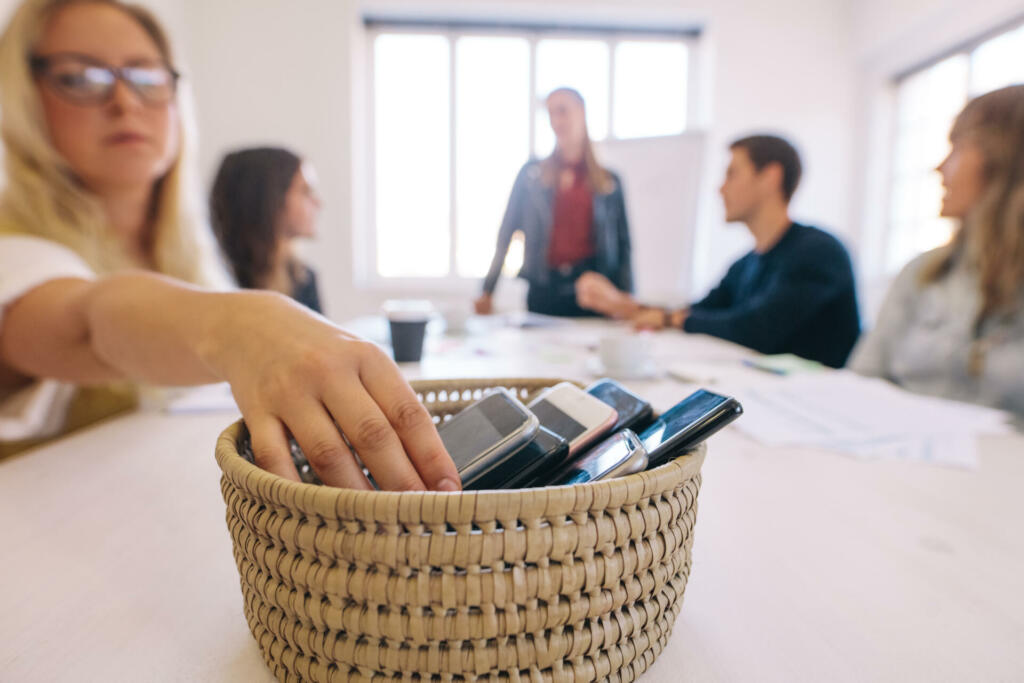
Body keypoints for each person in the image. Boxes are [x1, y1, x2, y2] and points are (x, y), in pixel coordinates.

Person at [0, 0, 460, 492]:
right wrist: (239, 327)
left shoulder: (190, 252)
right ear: (23, 93)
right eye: (80, 78)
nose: (124, 102)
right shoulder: (16, 247)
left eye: (148, 77)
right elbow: (86, 322)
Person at [578, 134, 861, 368]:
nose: (721, 189)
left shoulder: (820, 252)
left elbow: (755, 330)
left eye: (732, 174)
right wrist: (628, 307)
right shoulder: (746, 264)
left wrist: (668, 318)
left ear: (771, 177)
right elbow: (701, 311)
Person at [850, 85, 1024, 416]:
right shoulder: (922, 272)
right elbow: (862, 381)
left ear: (1005, 159)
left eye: (957, 149)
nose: (941, 168)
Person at [474, 87, 633, 317]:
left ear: (582, 113)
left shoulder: (609, 182)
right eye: (550, 113)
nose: (556, 121)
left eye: (562, 111)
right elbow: (506, 232)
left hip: (591, 293)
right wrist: (487, 291)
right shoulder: (531, 176)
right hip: (543, 291)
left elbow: (623, 245)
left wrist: (625, 301)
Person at [210, 147, 323, 313]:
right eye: (305, 191)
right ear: (271, 198)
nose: (317, 203)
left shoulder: (303, 279)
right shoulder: (215, 274)